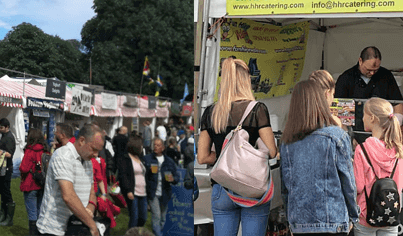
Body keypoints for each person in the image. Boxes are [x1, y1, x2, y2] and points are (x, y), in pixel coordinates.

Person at [197, 57, 278, 236]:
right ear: (246, 80)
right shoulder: (257, 110)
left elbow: (202, 157)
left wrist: (225, 158)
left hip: (222, 187)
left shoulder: (211, 112)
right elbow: (272, 151)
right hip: (252, 187)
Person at [280, 80, 359, 235]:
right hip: (333, 220)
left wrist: (291, 219)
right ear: (321, 102)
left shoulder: (287, 142)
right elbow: (348, 182)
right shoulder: (337, 136)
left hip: (300, 222)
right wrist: (353, 215)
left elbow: (286, 186)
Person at [353, 98, 403, 236]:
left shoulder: (362, 150)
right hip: (390, 215)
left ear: (371, 118)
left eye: (364, 114)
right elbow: (401, 185)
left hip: (366, 215)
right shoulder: (400, 151)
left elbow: (358, 186)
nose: (362, 118)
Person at [37, 123, 103, 236]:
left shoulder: (87, 161)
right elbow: (68, 196)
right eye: (94, 149)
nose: (96, 155)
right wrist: (92, 225)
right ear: (82, 140)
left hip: (76, 227)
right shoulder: (63, 155)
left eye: (98, 151)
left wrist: (90, 207)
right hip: (54, 230)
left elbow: (92, 190)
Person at [334, 47, 403, 135]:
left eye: (376, 70)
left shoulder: (386, 76)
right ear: (360, 61)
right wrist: (348, 136)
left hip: (382, 134)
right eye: (368, 70)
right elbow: (339, 112)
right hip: (355, 132)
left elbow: (398, 104)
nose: (372, 73)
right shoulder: (346, 78)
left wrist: (395, 129)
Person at [144, 137, 178, 236]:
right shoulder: (147, 158)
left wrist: (173, 179)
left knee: (163, 217)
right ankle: (158, 234)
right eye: (154, 144)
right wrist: (148, 171)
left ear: (163, 148)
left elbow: (176, 176)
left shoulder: (169, 161)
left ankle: (158, 232)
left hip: (165, 192)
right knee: (156, 216)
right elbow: (142, 175)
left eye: (158, 145)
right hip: (153, 192)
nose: (155, 147)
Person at [20, 127, 48, 235]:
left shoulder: (30, 151)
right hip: (42, 183)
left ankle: (33, 233)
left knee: (32, 212)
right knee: (40, 210)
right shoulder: (45, 150)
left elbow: (24, 168)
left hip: (30, 183)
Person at [117, 135, 148, 230]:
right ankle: (131, 232)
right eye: (141, 145)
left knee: (143, 217)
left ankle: (136, 232)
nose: (142, 147)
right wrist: (128, 190)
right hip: (132, 191)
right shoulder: (125, 158)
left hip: (143, 192)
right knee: (134, 217)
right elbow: (123, 175)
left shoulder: (140, 159)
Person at [0, 118, 16, 226]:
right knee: (2, 190)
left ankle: (9, 218)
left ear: (7, 127)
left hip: (7, 167)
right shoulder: (4, 136)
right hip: (1, 167)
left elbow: (9, 154)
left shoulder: (10, 137)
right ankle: (3, 213)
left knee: (6, 191)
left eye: (1, 127)